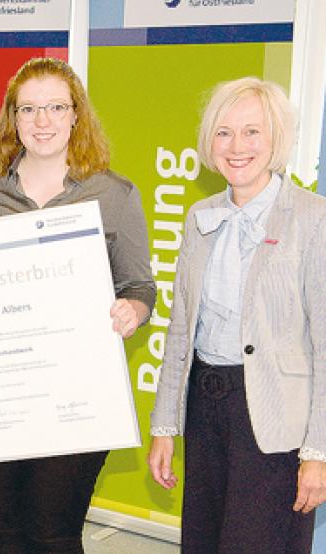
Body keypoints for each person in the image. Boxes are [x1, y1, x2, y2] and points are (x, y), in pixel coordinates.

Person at [0, 57, 156, 553]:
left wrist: (131, 312)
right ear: (13, 118)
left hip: (76, 392)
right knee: (3, 533)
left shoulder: (114, 194)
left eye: (56, 106)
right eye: (28, 109)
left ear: (77, 114)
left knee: (54, 535)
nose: (43, 121)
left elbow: (141, 287)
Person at [147, 77, 326, 553]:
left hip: (274, 424)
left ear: (277, 140)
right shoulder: (200, 216)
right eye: (224, 132)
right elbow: (181, 329)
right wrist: (165, 427)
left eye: (252, 132)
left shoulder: (313, 218)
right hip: (207, 408)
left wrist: (319, 453)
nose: (236, 146)